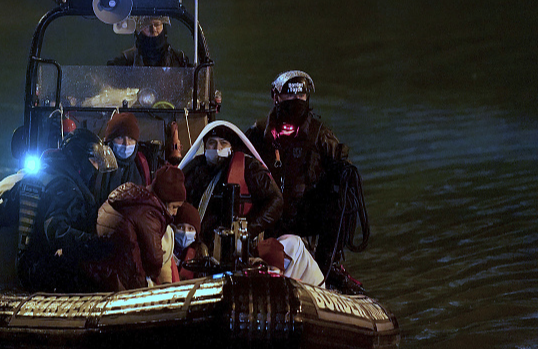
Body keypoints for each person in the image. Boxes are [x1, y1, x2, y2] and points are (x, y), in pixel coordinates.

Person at [244, 70, 367, 277]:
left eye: (300, 96)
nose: (296, 101)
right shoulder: (258, 134)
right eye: (290, 96)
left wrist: (340, 172)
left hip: (304, 215)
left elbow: (344, 167)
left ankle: (327, 268)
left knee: (340, 198)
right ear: (276, 97)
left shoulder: (320, 135)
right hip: (268, 216)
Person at [183, 124, 325, 286]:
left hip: (242, 245)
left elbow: (276, 202)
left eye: (223, 143)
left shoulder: (249, 168)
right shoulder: (195, 168)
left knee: (293, 244)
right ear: (205, 145)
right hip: (202, 245)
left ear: (231, 147)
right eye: (212, 143)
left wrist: (246, 231)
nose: (217, 148)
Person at [14, 128, 119, 293]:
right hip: (41, 272)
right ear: (78, 158)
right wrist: (95, 243)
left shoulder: (49, 174)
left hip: (29, 265)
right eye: (93, 161)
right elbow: (56, 230)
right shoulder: (65, 186)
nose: (97, 168)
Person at [91, 165, 186, 291]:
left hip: (102, 271)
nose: (175, 213)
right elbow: (155, 260)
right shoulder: (149, 214)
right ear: (164, 200)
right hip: (124, 280)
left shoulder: (132, 197)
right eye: (174, 207)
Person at [93, 112, 152, 205]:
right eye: (120, 137)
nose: (126, 143)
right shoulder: (97, 166)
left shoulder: (142, 164)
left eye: (131, 138)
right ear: (110, 141)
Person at [107, 16, 189, 67]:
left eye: (157, 24)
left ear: (163, 27)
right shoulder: (125, 61)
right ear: (139, 30)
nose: (153, 29)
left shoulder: (179, 59)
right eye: (147, 25)